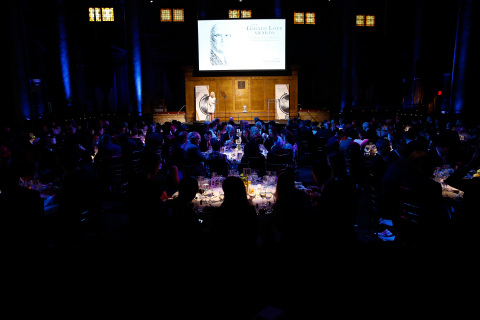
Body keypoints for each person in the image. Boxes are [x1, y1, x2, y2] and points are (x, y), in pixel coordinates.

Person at [210, 176, 258, 255]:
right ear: (242, 190)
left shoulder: (219, 212)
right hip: (247, 249)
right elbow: (254, 235)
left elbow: (214, 236)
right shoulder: (249, 211)